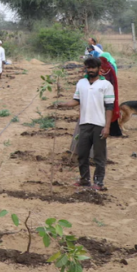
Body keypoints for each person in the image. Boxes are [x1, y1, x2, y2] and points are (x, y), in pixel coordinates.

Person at [55, 57, 113, 189]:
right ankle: (84, 179)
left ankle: (98, 182)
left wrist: (107, 126)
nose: (90, 70)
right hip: (84, 123)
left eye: (93, 67)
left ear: (99, 69)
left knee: (99, 155)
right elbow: (76, 100)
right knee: (82, 153)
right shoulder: (81, 83)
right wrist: (62, 104)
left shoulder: (106, 85)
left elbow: (109, 107)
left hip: (99, 124)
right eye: (88, 67)